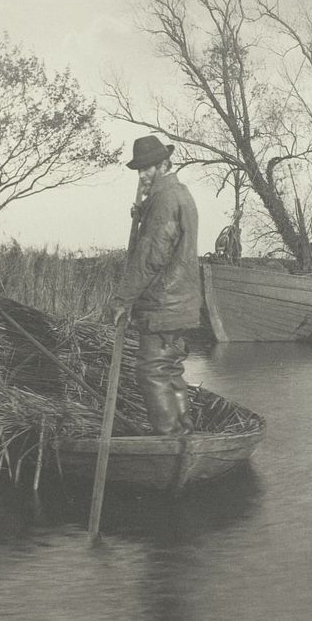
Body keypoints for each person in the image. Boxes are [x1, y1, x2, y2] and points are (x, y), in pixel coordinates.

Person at [112, 135, 201, 436]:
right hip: (182, 305)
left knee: (151, 371)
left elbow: (151, 256)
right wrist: (143, 215)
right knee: (170, 369)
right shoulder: (180, 193)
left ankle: (169, 438)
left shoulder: (163, 200)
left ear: (164, 164)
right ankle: (183, 432)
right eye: (139, 170)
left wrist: (123, 299)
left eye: (147, 168)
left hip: (162, 305)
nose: (142, 175)